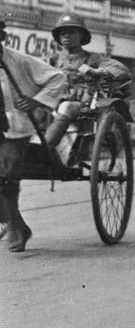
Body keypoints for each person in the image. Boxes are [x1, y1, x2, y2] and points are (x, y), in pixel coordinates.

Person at [0, 19, 68, 252]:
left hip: (15, 127)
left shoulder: (17, 59)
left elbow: (58, 77)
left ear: (2, 36)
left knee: (5, 176)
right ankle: (13, 222)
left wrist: (35, 101)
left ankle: (16, 226)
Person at [44, 13, 131, 164]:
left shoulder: (93, 59)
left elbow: (122, 70)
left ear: (81, 35)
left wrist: (98, 71)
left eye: (71, 32)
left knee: (66, 106)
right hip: (52, 102)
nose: (66, 36)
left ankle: (44, 149)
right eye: (63, 33)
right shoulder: (52, 60)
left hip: (80, 106)